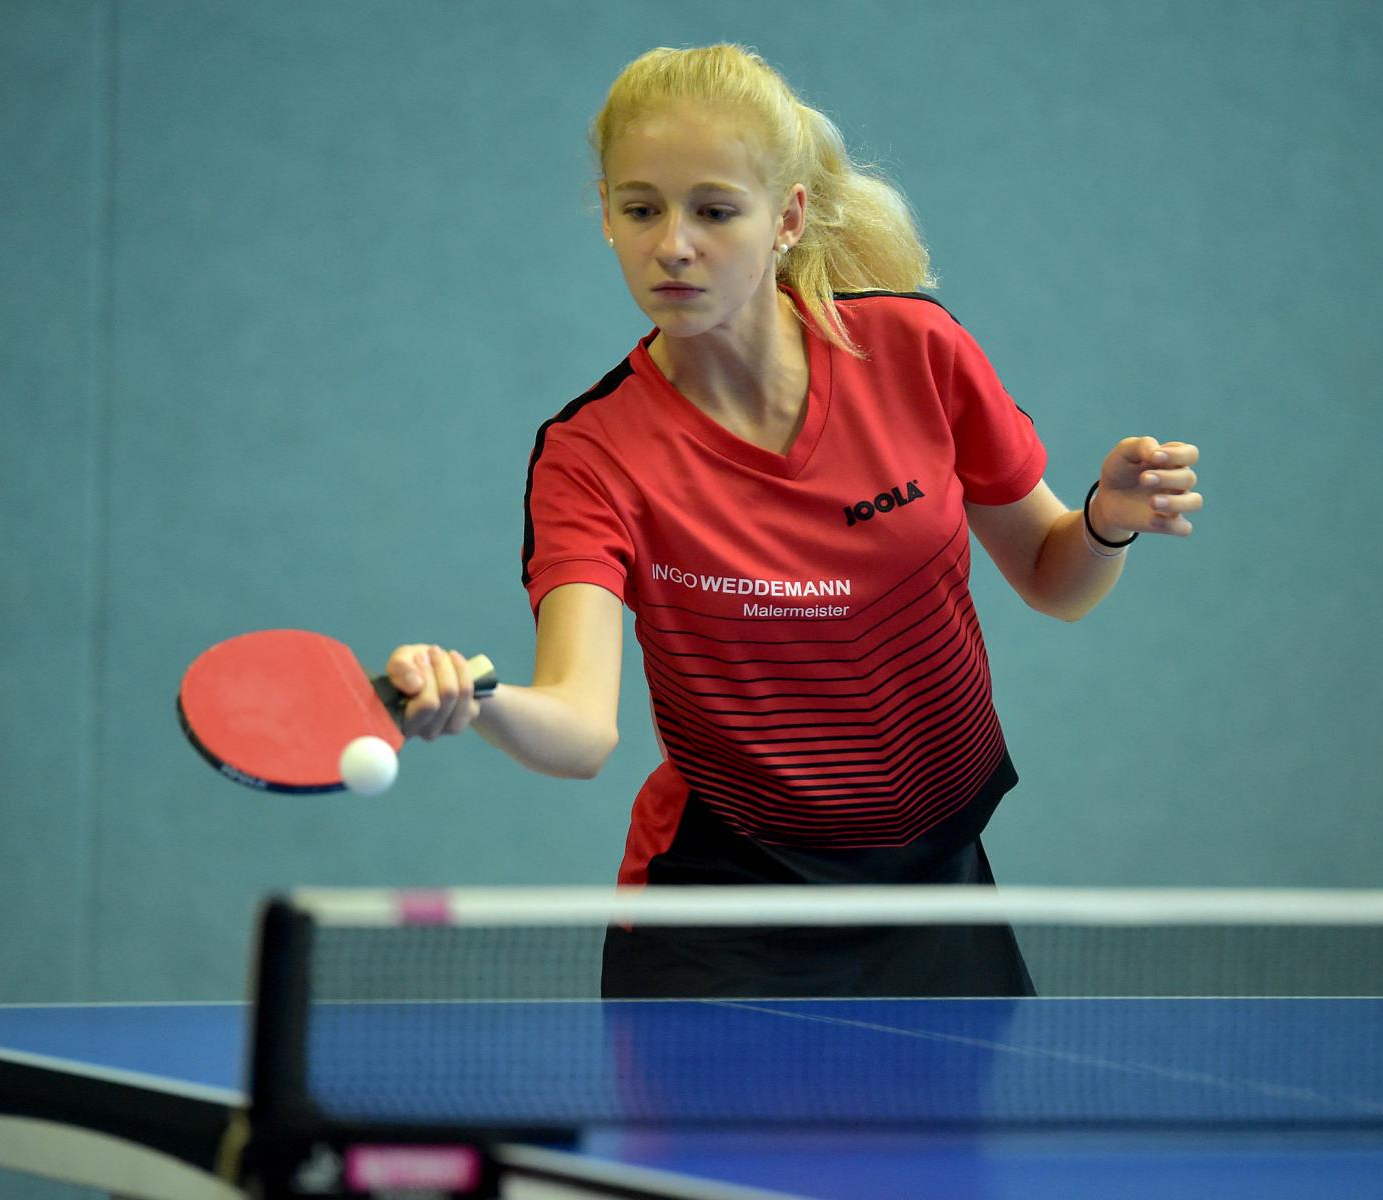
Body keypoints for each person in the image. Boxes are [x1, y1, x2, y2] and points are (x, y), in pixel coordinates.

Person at [385, 45, 1201, 998]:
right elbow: (579, 728)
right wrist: (478, 698)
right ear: (605, 213)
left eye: (714, 210)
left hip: (935, 894)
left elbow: (1056, 582)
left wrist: (1105, 520)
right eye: (641, 209)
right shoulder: (590, 455)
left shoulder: (915, 352)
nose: (672, 245)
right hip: (723, 912)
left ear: (788, 217)